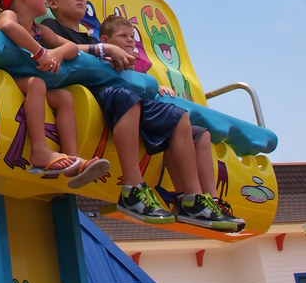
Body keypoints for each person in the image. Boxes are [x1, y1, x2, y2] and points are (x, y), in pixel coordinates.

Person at [43, 0, 241, 232]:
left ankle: (192, 199)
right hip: (98, 94)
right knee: (127, 98)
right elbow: (62, 47)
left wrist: (149, 84)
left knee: (179, 117)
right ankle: (133, 189)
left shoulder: (90, 38)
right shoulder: (51, 26)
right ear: (53, 3)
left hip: (123, 93)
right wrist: (105, 50)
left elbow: (122, 71)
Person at [98, 13, 245, 231]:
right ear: (105, 40)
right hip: (122, 107)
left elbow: (142, 86)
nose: (130, 40)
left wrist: (156, 87)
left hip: (140, 109)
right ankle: (148, 192)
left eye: (132, 36)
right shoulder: (104, 59)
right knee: (173, 116)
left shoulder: (135, 70)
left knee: (195, 129)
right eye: (123, 36)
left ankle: (201, 200)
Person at [0, 0, 109, 190]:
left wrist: (58, 53)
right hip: (1, 78)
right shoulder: (10, 15)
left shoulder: (39, 30)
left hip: (20, 81)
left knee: (64, 97)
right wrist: (40, 52)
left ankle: (72, 159)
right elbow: (7, 27)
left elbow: (72, 47)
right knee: (37, 83)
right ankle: (39, 151)